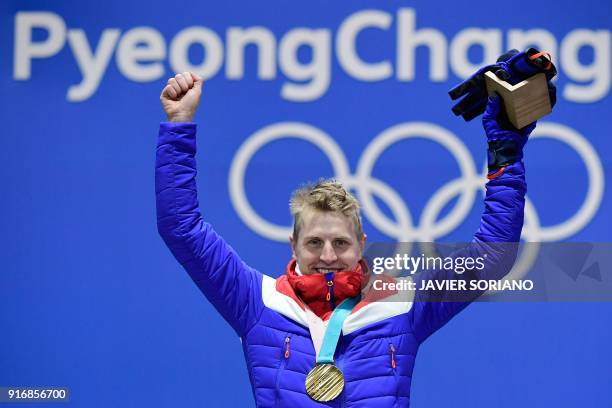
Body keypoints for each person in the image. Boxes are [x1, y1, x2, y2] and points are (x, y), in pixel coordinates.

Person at [156, 71, 532, 407]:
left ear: (362, 244)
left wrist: (505, 153)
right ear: (293, 245)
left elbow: (492, 258)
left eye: (341, 243)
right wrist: (179, 125)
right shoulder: (257, 303)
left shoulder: (403, 306)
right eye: (314, 243)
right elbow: (181, 228)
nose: (328, 255)